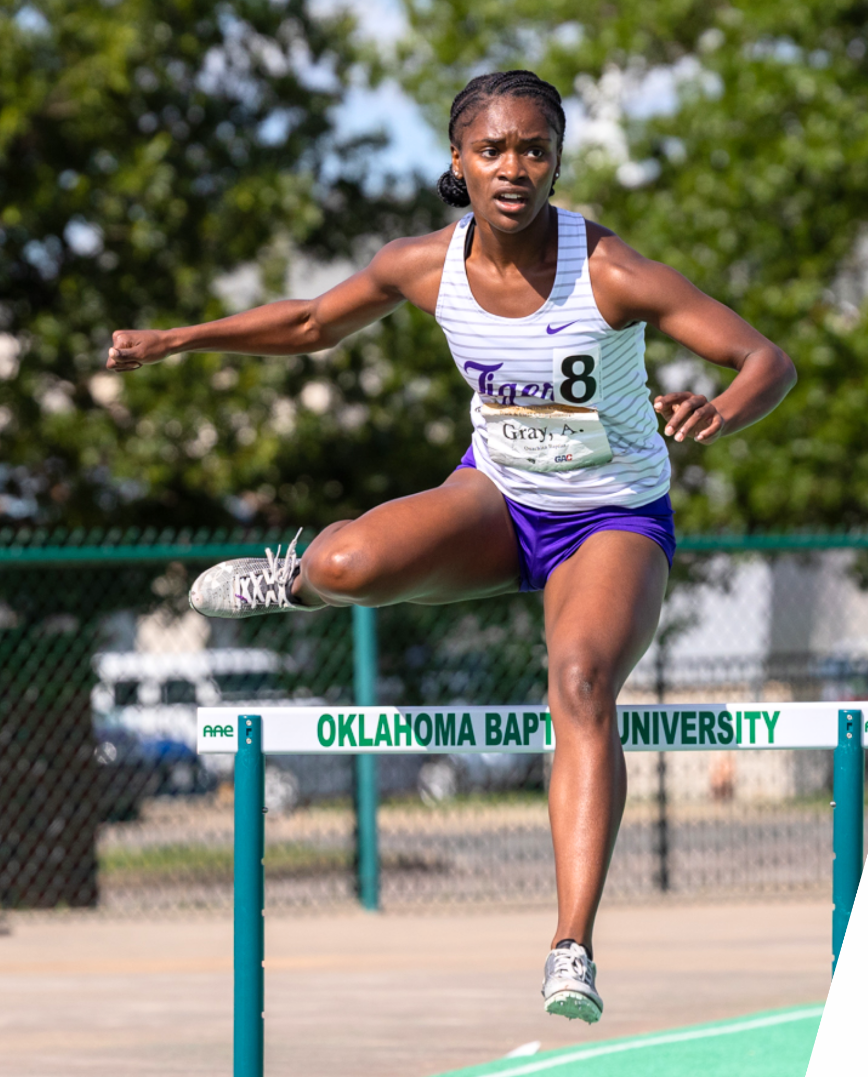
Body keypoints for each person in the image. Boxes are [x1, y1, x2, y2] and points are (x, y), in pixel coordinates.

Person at [104, 71, 797, 1025]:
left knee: (583, 677)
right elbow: (311, 325)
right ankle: (298, 585)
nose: (515, 168)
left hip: (611, 518)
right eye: (493, 150)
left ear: (556, 160)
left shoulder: (610, 271)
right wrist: (182, 339)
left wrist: (718, 407)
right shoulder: (423, 265)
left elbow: (768, 359)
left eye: (535, 149)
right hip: (497, 498)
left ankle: (571, 946)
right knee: (346, 564)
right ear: (459, 162)